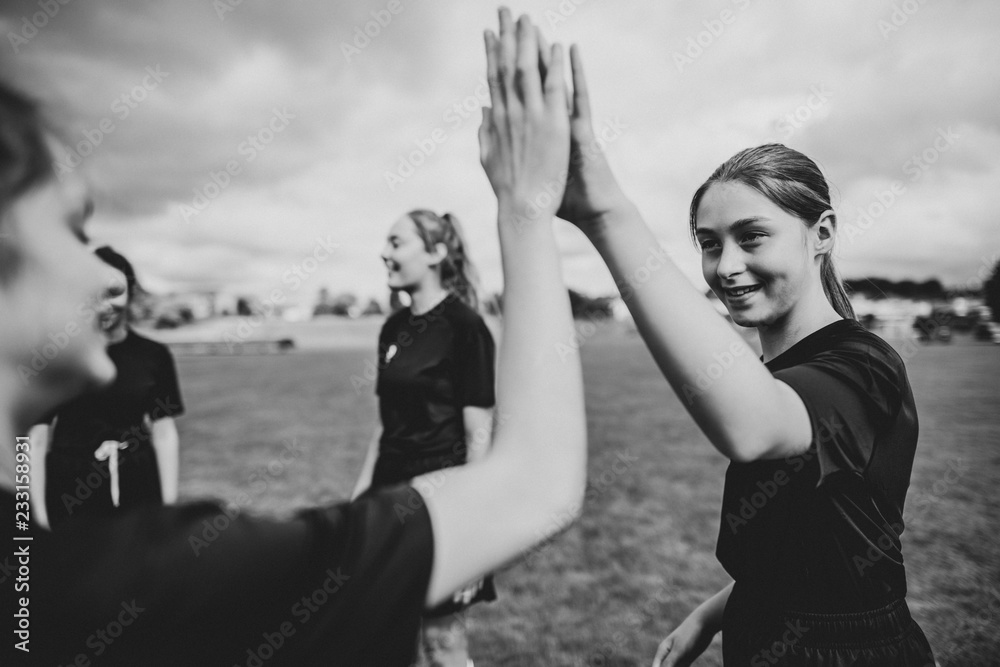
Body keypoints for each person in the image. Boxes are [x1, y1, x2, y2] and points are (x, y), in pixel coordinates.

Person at [0, 10, 585, 666]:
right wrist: (527, 206)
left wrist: (34, 540)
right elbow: (538, 484)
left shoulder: (38, 581)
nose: (102, 274)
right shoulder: (128, 582)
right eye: (74, 232)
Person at [535, 44, 936, 665]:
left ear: (821, 234)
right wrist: (712, 614)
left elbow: (750, 430)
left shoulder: (863, 368)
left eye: (752, 237)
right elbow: (815, 550)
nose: (726, 267)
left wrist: (607, 214)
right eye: (708, 244)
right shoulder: (780, 375)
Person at [352, 210, 497, 666]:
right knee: (384, 634)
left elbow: (480, 432)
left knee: (443, 641)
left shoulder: (465, 326)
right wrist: (360, 496)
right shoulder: (391, 329)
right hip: (387, 494)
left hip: (442, 500)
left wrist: (472, 522)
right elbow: (385, 424)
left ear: (435, 252)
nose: (384, 252)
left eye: (396, 242)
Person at [32, 246, 183, 529]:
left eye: (115, 291)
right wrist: (33, 519)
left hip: (139, 487)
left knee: (136, 572)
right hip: (68, 491)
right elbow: (34, 441)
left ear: (131, 292)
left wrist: (168, 510)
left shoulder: (154, 356)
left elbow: (164, 434)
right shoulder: (55, 354)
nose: (105, 303)